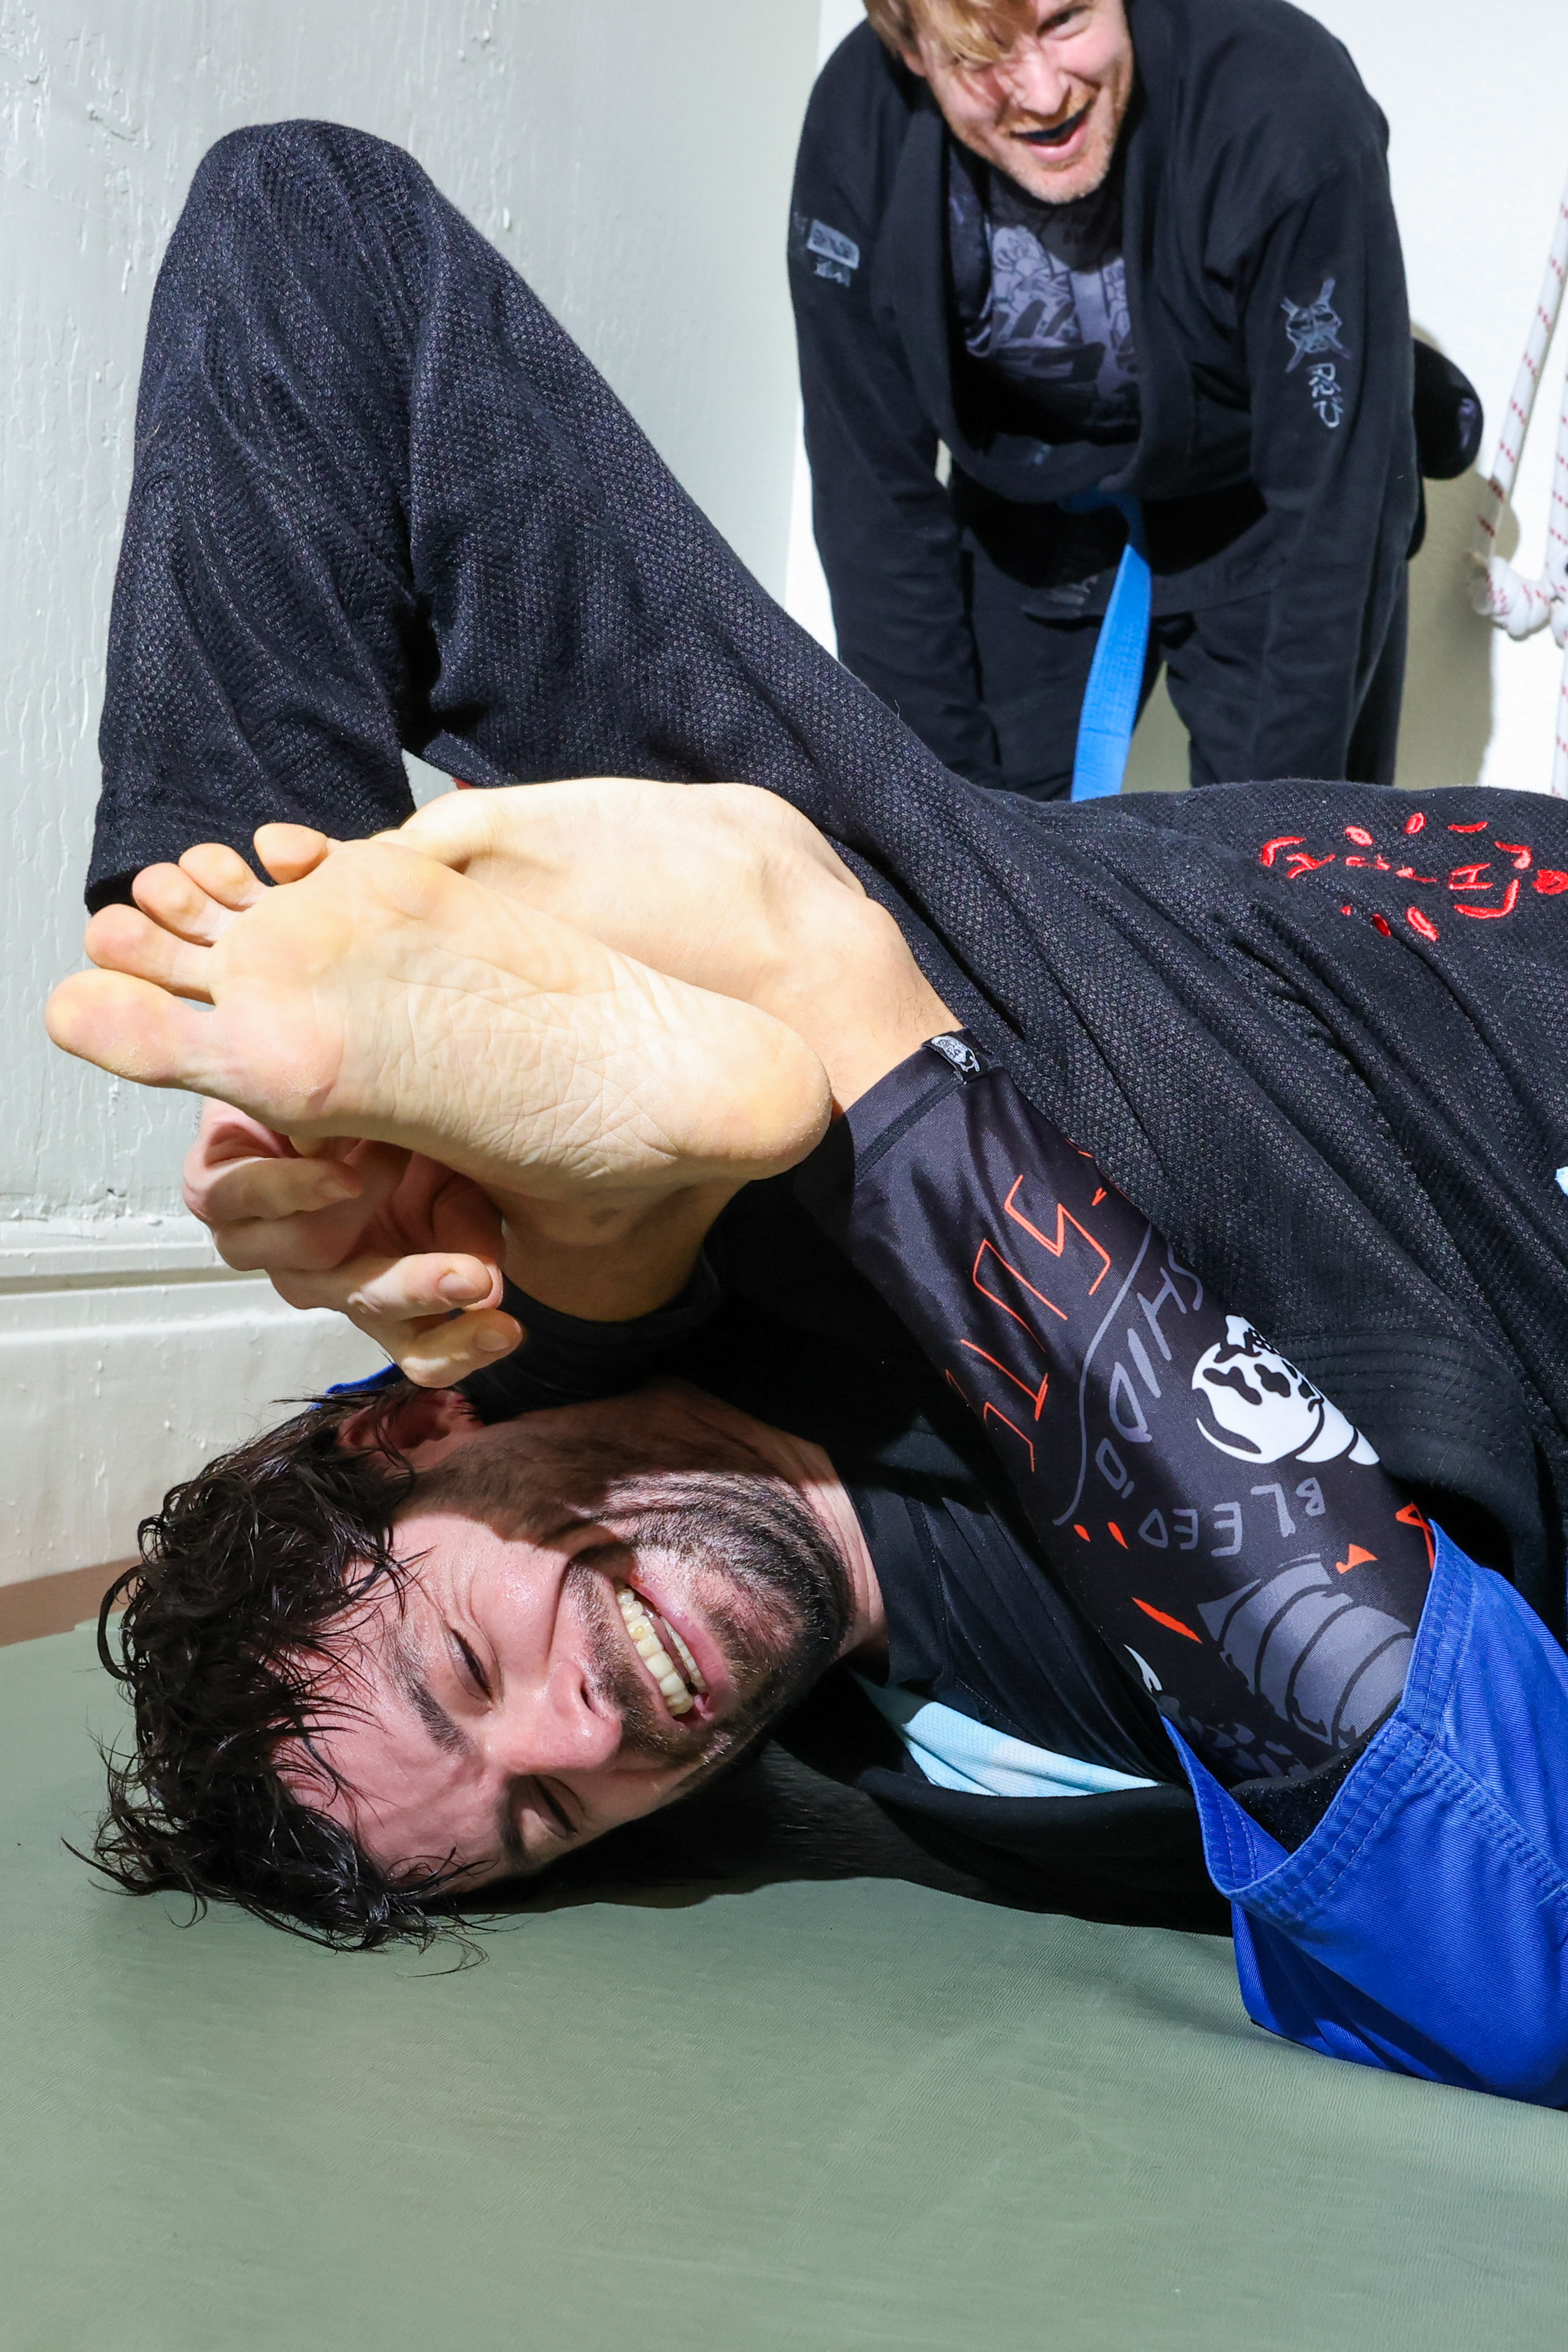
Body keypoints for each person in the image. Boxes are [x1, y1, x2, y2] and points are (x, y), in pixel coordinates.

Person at [55, 117, 1568, 2102]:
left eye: (464, 1668)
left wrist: (236, 931)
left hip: (1329, 1008)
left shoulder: (608, 1272)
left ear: (415, 1423)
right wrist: (843, 1030)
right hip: (1276, 1225)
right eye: (537, 1826)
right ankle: (848, 1046)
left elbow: (308, 232)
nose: (580, 1732)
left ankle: (417, 1007)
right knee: (1508, 1911)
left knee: (653, 1239)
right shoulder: (941, 1762)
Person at [789, 0, 1482, 797]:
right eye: (982, 57)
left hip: (1262, 491)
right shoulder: (857, 134)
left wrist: (1279, 845)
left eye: (1065, 21)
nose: (1045, 95)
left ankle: (1393, 374)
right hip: (1037, 494)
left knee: (1285, 860)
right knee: (962, 843)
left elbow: (1337, 511)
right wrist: (937, 831)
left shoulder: (1282, 106)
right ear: (912, 49)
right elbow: (870, 497)